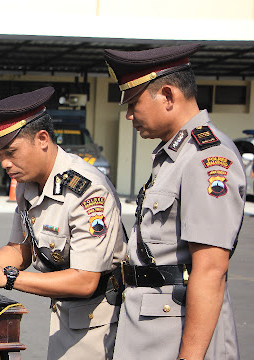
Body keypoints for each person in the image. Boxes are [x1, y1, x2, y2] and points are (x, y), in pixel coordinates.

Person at [0, 87, 127, 360]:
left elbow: (85, 280)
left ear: (42, 139)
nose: (4, 163)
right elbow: (22, 250)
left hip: (99, 321)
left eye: (11, 151)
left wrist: (7, 278)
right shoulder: (28, 184)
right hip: (66, 313)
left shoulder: (87, 191)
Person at [104, 44, 245, 360]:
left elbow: (210, 268)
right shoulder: (174, 155)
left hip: (177, 337)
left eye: (134, 103)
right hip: (152, 328)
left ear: (167, 95)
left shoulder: (207, 157)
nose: (128, 115)